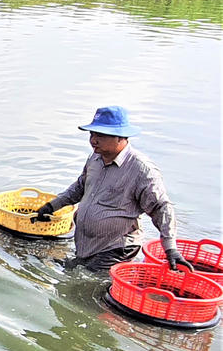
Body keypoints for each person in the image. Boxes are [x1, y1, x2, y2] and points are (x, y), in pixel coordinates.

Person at [32, 106, 192, 272]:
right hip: (88, 245)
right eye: (92, 134)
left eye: (100, 135)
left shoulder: (142, 170)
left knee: (82, 282)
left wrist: (170, 249)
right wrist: (51, 207)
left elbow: (161, 207)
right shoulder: (95, 158)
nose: (93, 140)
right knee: (68, 271)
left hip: (117, 248)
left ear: (120, 138)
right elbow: (79, 187)